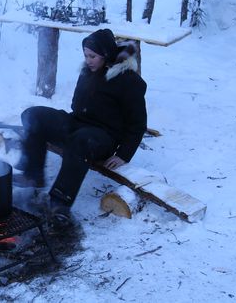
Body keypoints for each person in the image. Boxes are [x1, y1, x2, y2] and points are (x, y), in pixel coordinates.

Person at [15, 28, 147, 224]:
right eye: (85, 55)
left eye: (92, 56)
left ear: (106, 54)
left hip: (102, 137)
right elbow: (78, 107)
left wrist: (123, 154)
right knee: (33, 115)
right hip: (77, 124)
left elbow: (138, 123)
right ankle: (32, 175)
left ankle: (60, 202)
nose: (88, 60)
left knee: (80, 141)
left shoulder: (128, 80)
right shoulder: (88, 71)